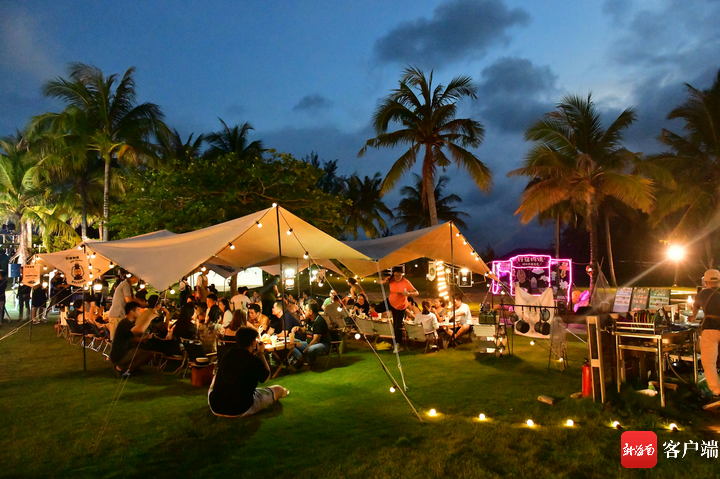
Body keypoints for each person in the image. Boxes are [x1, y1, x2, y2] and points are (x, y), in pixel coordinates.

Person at [208, 326, 289, 417]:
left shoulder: (228, 354)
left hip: (215, 405)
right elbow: (266, 376)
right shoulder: (254, 360)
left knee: (216, 378)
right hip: (241, 408)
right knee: (278, 389)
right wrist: (261, 353)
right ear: (253, 342)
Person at [690, 269, 720, 406]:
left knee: (709, 362)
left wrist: (693, 316)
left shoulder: (702, 294)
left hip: (710, 329)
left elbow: (695, 307)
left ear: (706, 282)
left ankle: (717, 392)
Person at [109, 301, 160, 375]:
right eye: (138, 310)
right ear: (131, 312)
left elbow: (132, 339)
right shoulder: (125, 323)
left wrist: (144, 339)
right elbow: (141, 330)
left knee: (143, 351)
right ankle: (122, 368)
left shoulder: (128, 322)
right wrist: (150, 318)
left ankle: (130, 369)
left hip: (119, 353)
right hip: (120, 354)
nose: (139, 312)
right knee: (147, 355)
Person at [379, 266, 418, 353]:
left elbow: (416, 292)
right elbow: (379, 282)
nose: (397, 277)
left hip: (401, 306)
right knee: (379, 310)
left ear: (402, 275)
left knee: (397, 325)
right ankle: (397, 342)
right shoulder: (391, 279)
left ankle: (398, 344)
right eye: (396, 275)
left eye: (399, 275)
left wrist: (408, 294)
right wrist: (384, 280)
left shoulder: (406, 282)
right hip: (392, 303)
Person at [290, 300, 330, 365]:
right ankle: (300, 359)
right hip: (308, 343)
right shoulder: (308, 319)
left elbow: (316, 340)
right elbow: (304, 330)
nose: (304, 311)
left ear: (311, 312)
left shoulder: (319, 321)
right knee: (290, 343)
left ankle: (309, 362)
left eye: (305, 310)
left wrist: (304, 351)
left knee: (311, 349)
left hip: (322, 344)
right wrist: (298, 328)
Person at [107, 271, 139, 339]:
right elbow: (129, 300)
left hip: (119, 314)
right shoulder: (126, 285)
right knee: (116, 337)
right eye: (137, 277)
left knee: (119, 336)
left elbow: (133, 298)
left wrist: (142, 303)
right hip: (117, 314)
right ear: (132, 276)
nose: (138, 280)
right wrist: (140, 304)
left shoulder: (128, 285)